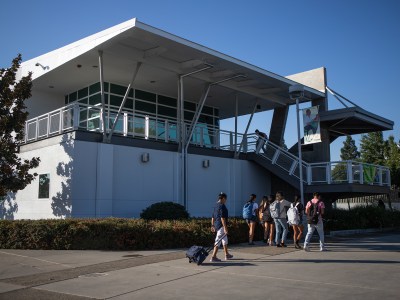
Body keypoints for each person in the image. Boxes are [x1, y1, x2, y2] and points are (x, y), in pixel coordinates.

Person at [210, 192, 233, 262]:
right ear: (223, 198)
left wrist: (212, 225)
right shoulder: (222, 206)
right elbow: (223, 218)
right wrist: (225, 228)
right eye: (225, 199)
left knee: (224, 240)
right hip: (221, 226)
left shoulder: (216, 205)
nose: (225, 200)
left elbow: (213, 217)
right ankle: (213, 256)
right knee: (218, 241)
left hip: (217, 225)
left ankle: (227, 254)